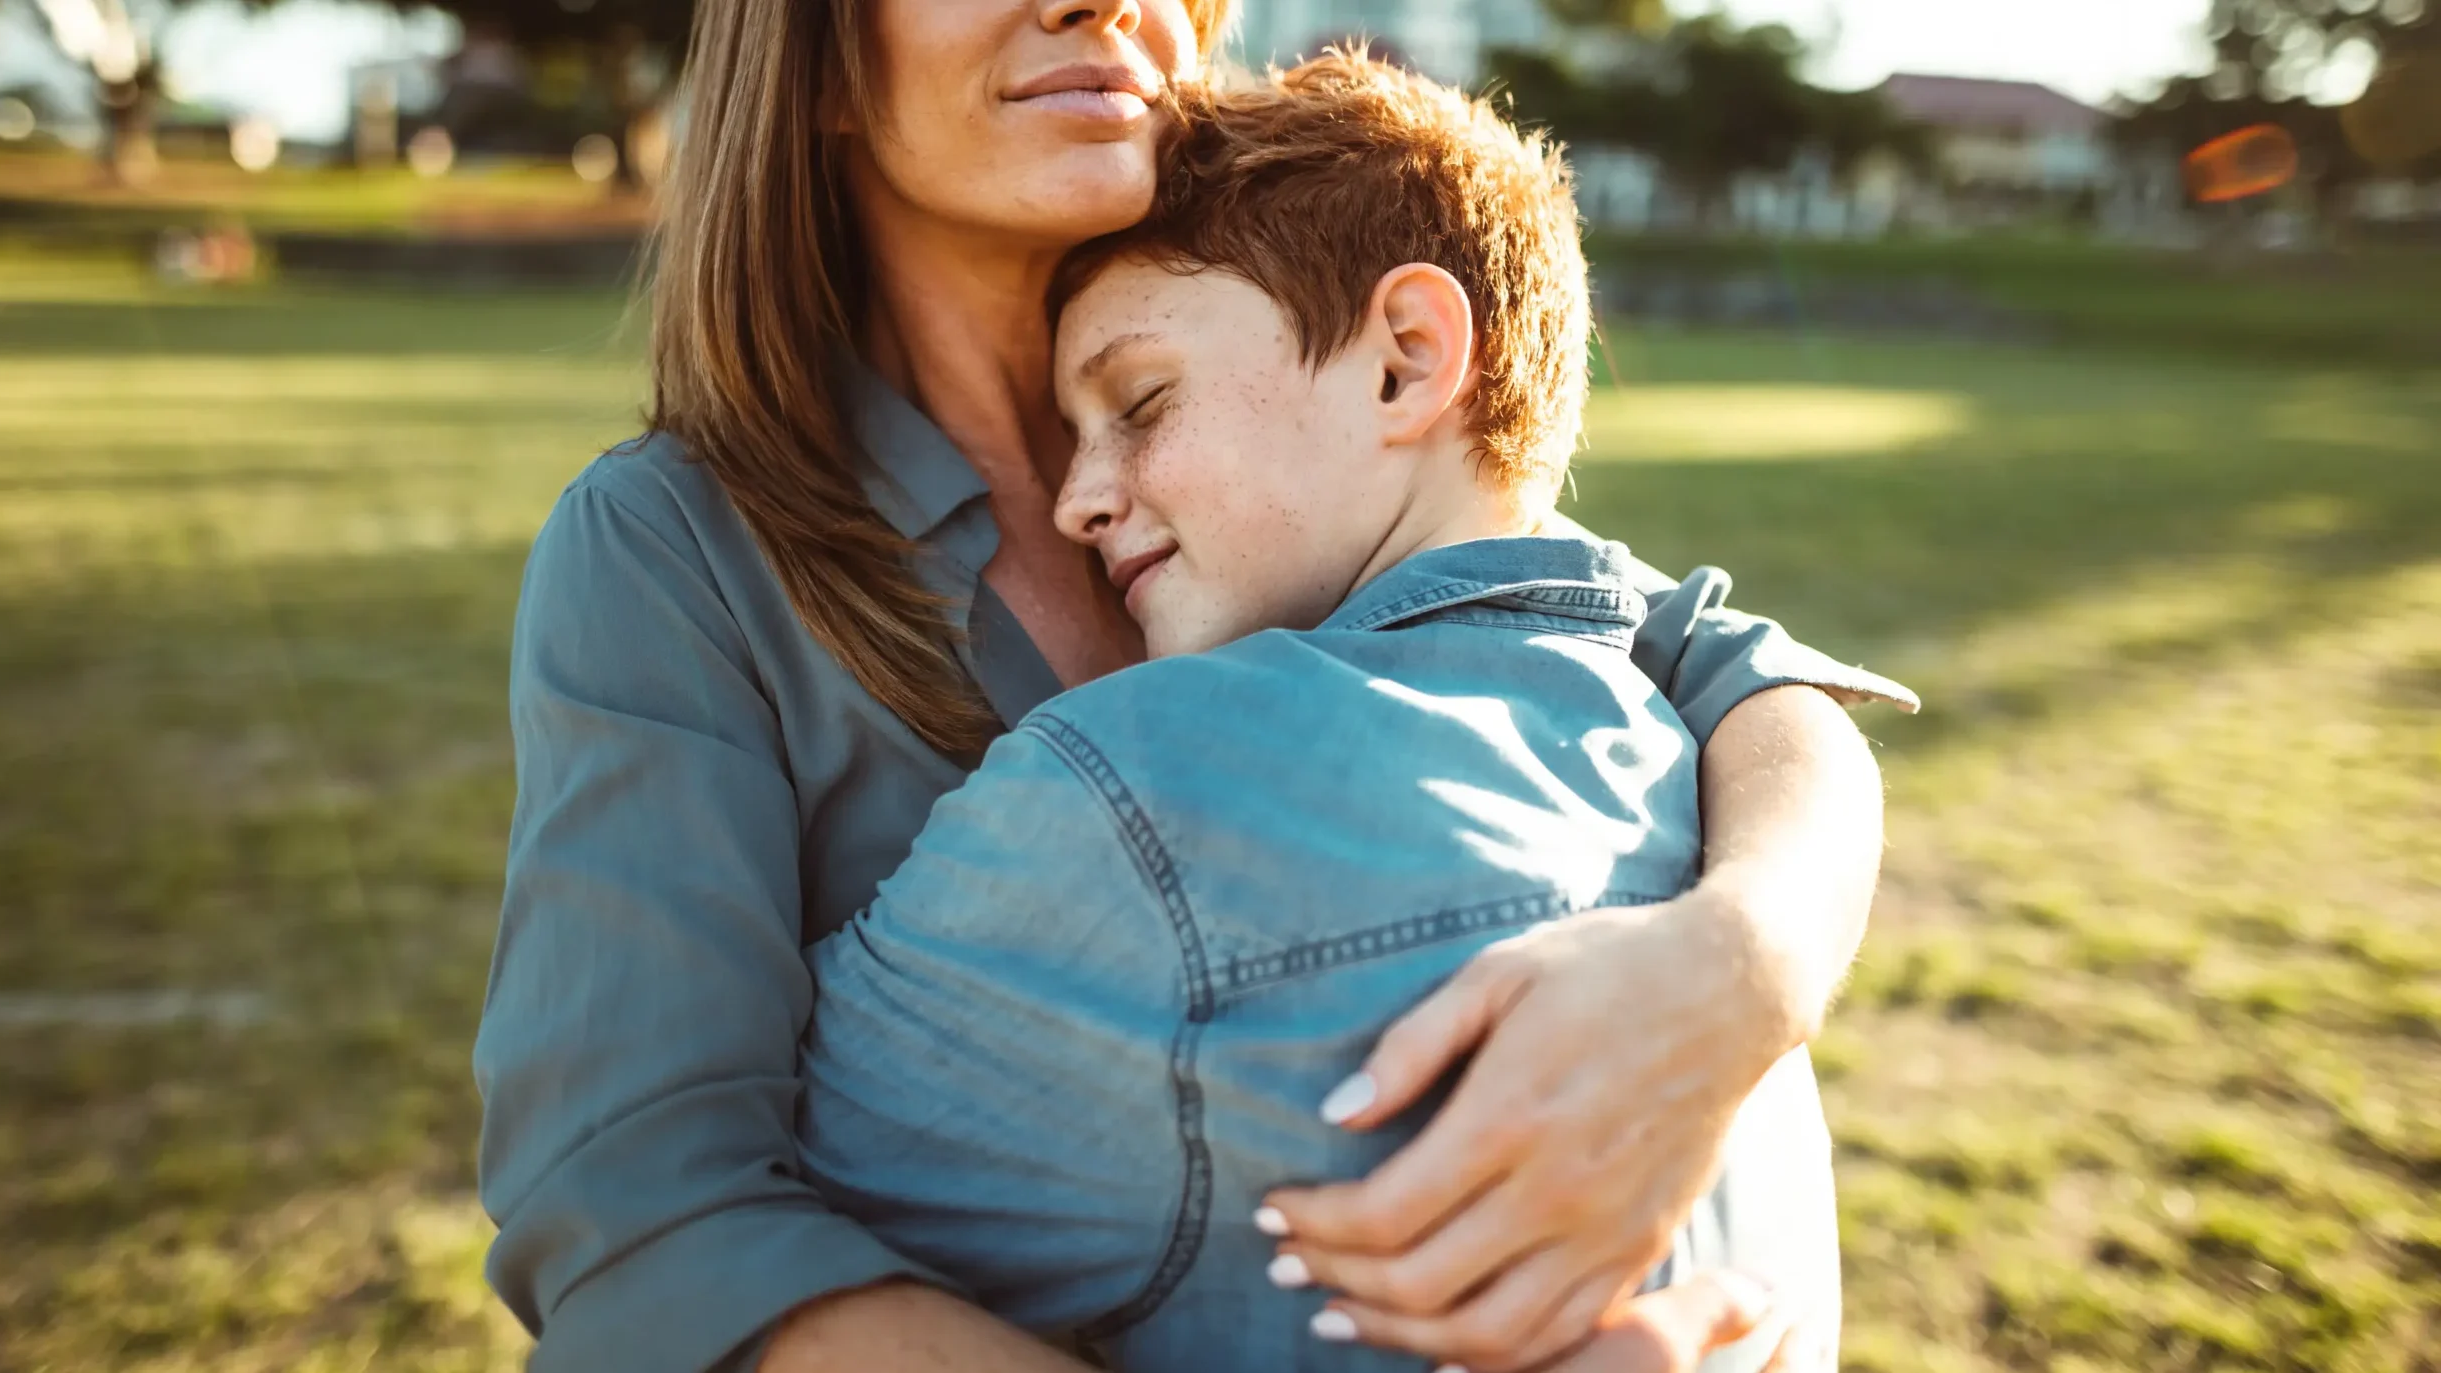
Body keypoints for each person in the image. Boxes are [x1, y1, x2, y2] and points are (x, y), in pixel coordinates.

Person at [476, 3, 1911, 1371]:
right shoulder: (675, 545)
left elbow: (1721, 663)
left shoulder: (1293, 391)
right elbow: (643, 1223)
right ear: (819, 56)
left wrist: (1738, 969)